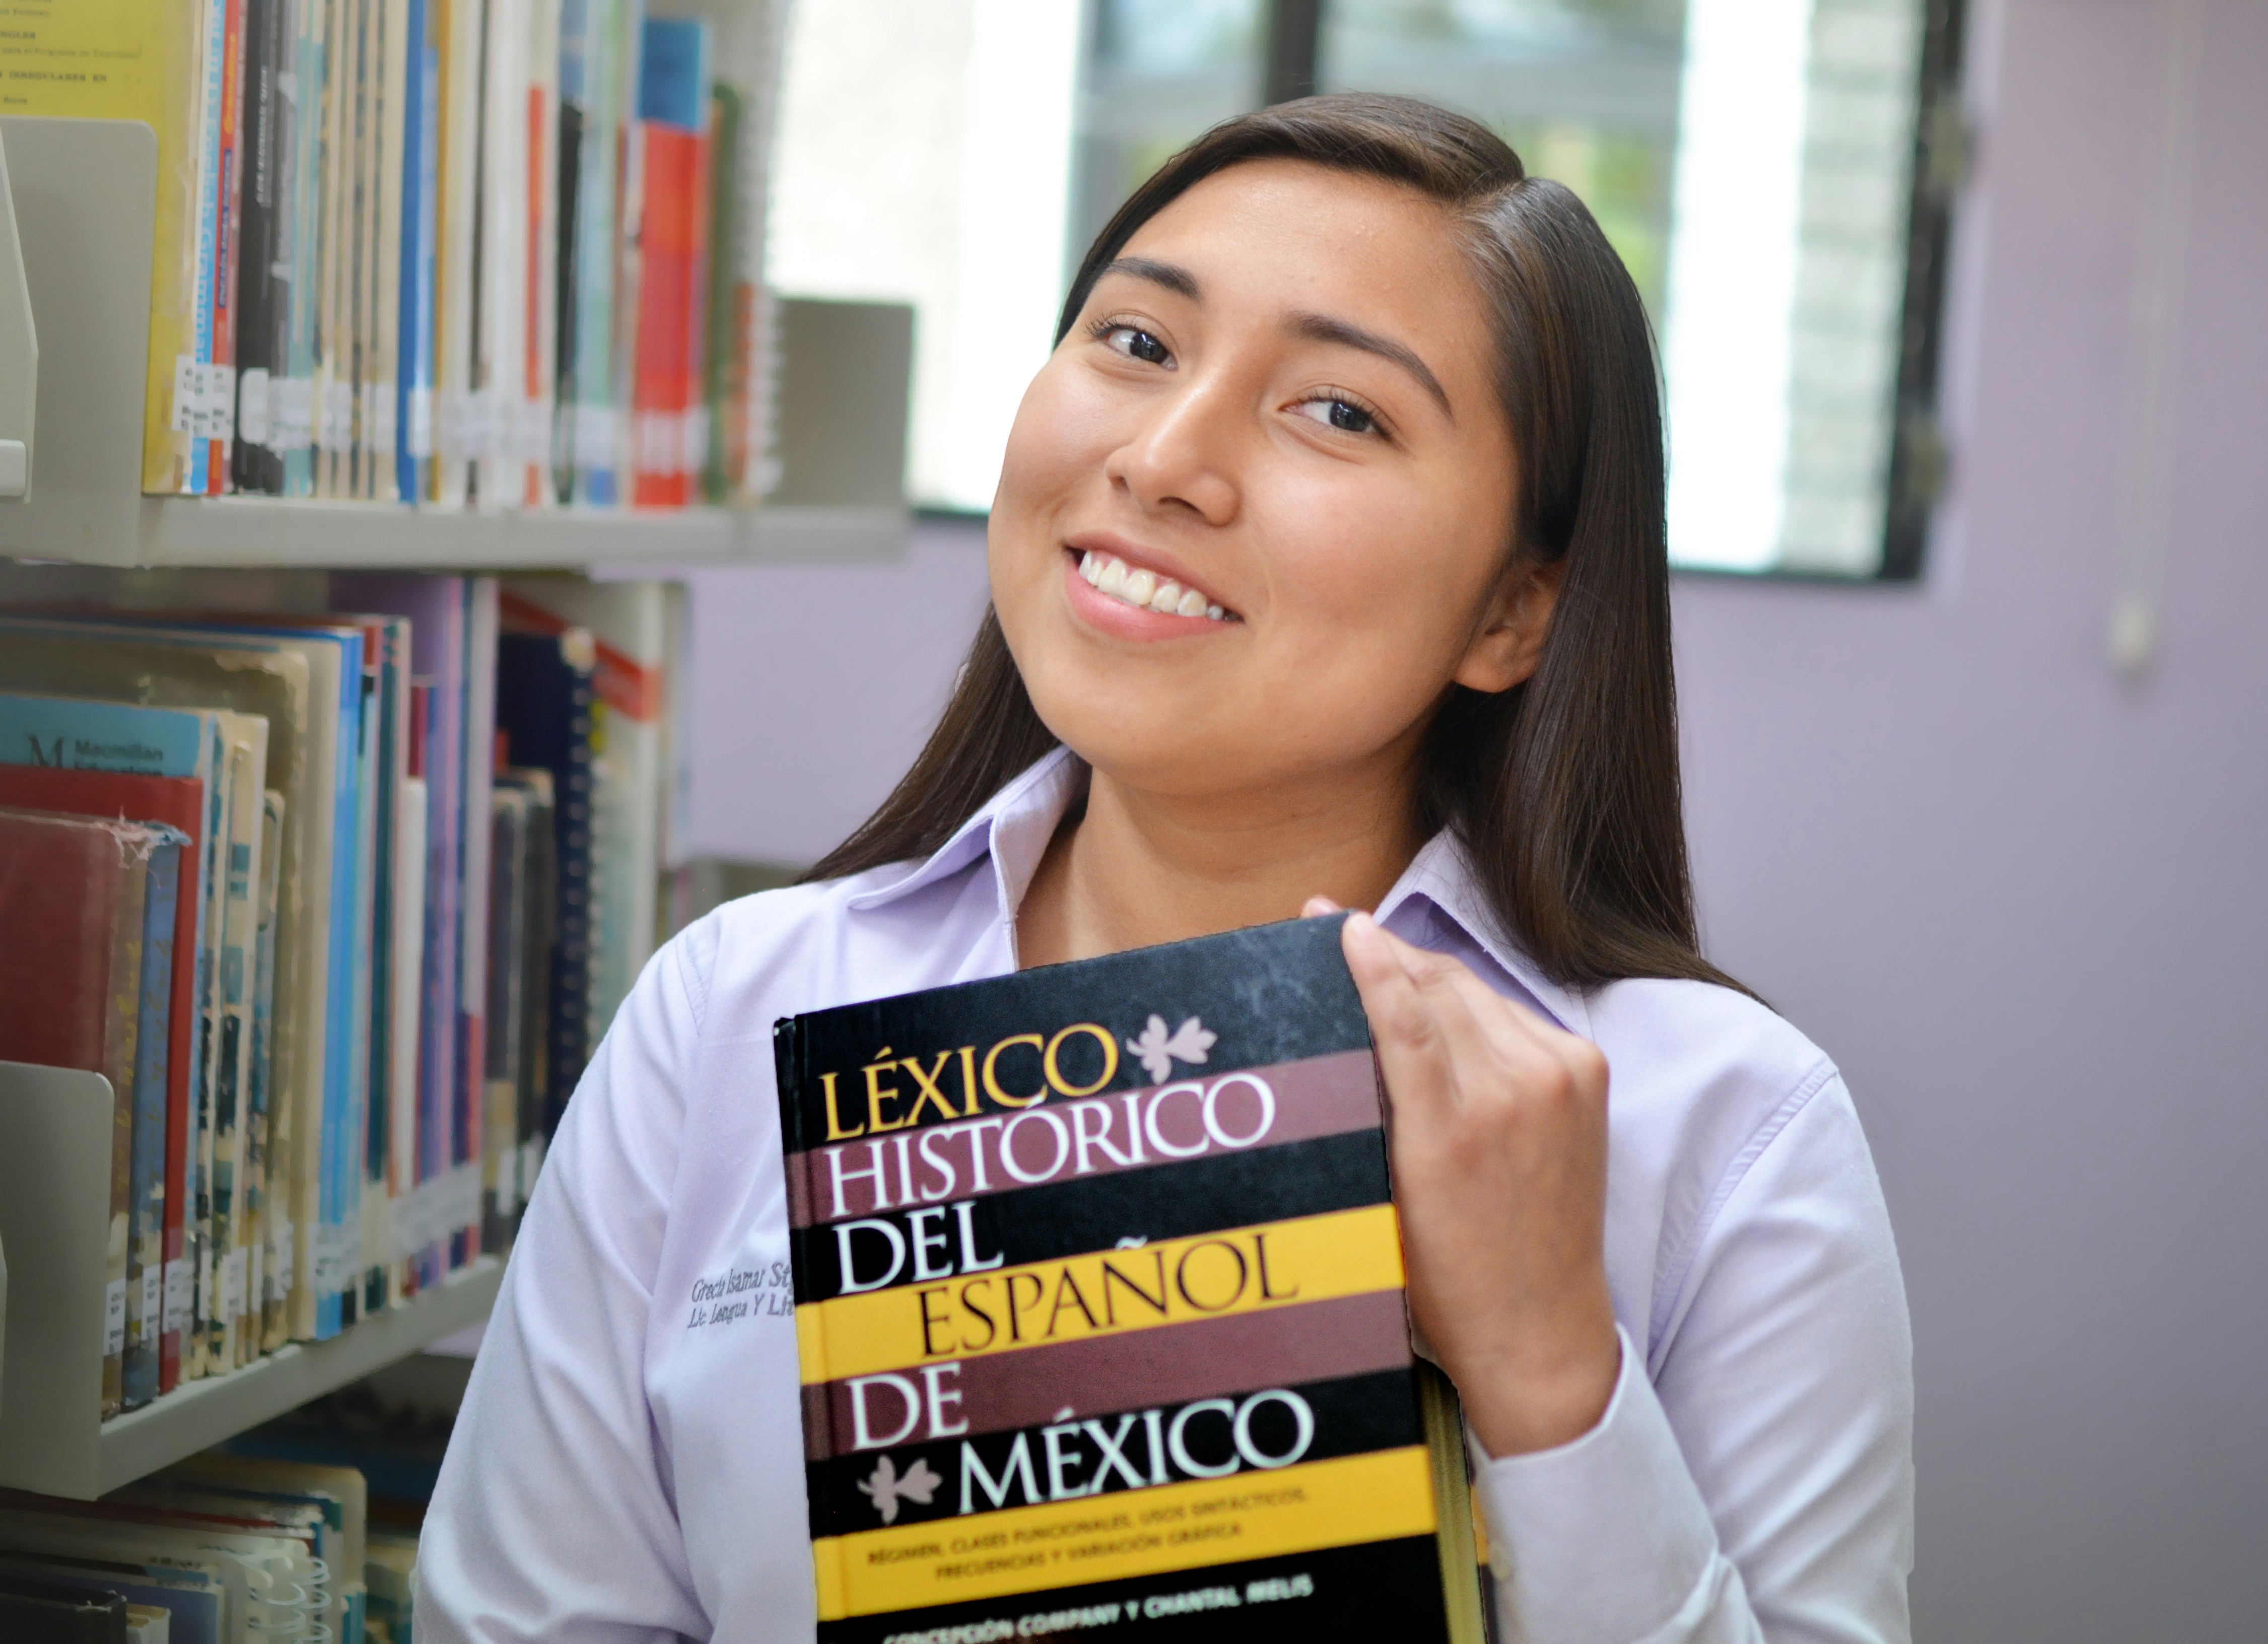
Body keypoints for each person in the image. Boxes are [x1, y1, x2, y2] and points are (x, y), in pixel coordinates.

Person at [418, 94, 1913, 1643]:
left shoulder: (1728, 1128)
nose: (1164, 457)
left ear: (1512, 615)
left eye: (1339, 412)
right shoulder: (736, 1010)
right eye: (1136, 342)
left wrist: (1551, 1377)